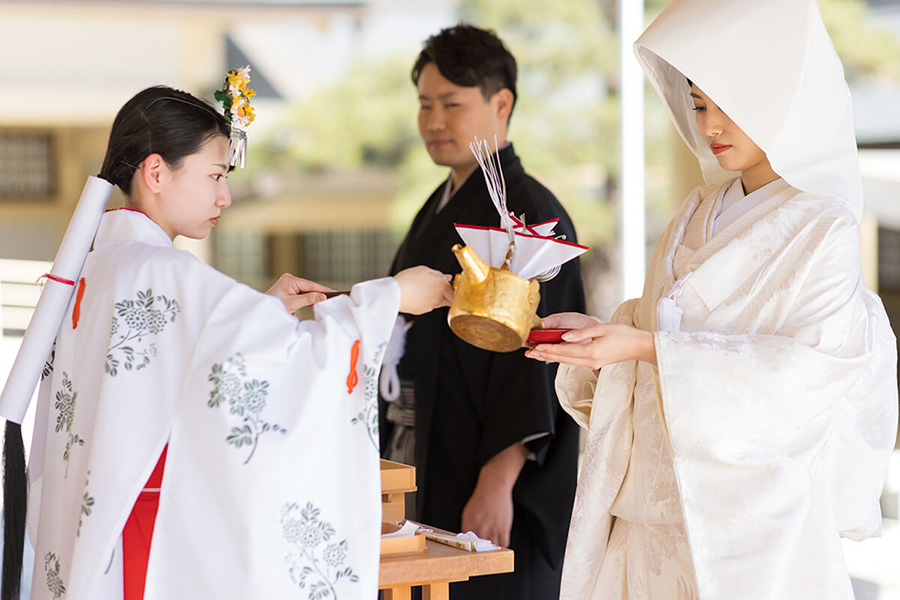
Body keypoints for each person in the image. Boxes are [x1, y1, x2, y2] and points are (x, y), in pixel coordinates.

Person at [5, 85, 452, 600]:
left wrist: (267, 309)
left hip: (100, 529)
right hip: (144, 532)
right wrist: (391, 298)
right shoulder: (159, 270)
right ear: (156, 173)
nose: (225, 196)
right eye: (215, 176)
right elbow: (287, 365)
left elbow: (179, 367)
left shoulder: (99, 264)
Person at [525, 1, 898, 598]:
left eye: (729, 106)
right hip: (649, 514)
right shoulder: (694, 212)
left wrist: (646, 348)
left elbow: (806, 378)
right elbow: (653, 328)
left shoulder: (823, 227)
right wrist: (599, 337)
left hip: (752, 528)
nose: (710, 126)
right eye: (699, 104)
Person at [379, 24, 586, 599]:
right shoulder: (439, 203)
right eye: (425, 105)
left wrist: (498, 478)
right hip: (425, 439)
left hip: (488, 467)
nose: (434, 121)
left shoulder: (530, 215)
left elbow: (541, 357)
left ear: (501, 104)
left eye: (452, 104)